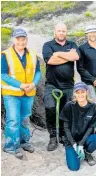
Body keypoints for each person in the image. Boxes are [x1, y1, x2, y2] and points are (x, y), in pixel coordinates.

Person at [1, 28, 41, 159]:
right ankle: (11, 146)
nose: (20, 41)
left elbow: (38, 72)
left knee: (24, 119)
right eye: (18, 39)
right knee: (13, 120)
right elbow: (3, 75)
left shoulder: (33, 55)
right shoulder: (5, 55)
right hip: (11, 94)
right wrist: (20, 85)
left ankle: (24, 142)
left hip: (28, 93)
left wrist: (34, 83)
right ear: (13, 40)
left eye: (23, 39)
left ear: (26, 40)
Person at [42, 23, 81, 151]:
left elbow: (75, 56)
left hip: (68, 84)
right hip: (51, 84)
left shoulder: (72, 44)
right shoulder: (48, 45)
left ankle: (64, 135)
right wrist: (67, 56)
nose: (61, 33)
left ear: (66, 32)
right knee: (50, 107)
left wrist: (58, 54)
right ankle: (53, 137)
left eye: (63, 31)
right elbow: (50, 61)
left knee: (68, 111)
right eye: (59, 31)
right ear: (55, 32)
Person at [59, 82, 96, 171]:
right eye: (77, 92)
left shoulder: (93, 106)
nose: (80, 95)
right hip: (71, 140)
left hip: (85, 138)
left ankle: (87, 153)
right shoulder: (69, 106)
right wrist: (74, 144)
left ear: (86, 92)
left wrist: (81, 144)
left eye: (82, 92)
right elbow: (66, 128)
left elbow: (91, 127)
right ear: (74, 93)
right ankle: (74, 151)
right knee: (74, 167)